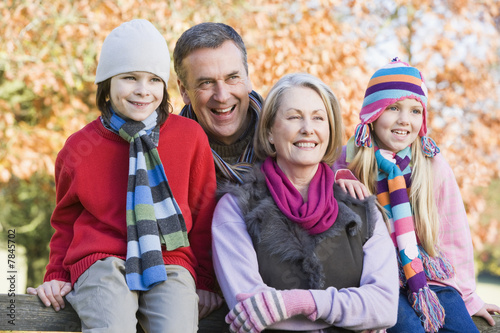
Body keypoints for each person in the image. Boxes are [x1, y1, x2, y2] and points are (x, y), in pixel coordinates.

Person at [27, 19, 219, 332]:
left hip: (170, 258)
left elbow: (203, 212)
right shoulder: (79, 148)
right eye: (130, 77)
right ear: (107, 83)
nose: (143, 91)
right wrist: (56, 276)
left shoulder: (189, 137)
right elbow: (64, 221)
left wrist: (207, 281)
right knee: (110, 324)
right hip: (101, 261)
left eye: (154, 80)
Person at [212, 73, 399, 332]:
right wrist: (355, 313)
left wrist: (295, 302)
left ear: (329, 131)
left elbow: (384, 307)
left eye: (318, 118)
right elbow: (250, 310)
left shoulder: (362, 209)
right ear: (269, 133)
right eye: (294, 116)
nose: (307, 128)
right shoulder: (236, 208)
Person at [333, 57, 500, 332]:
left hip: (431, 277)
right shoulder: (346, 161)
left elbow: (455, 234)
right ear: (373, 114)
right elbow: (316, 190)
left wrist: (469, 297)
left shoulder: (431, 163)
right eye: (394, 108)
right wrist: (338, 177)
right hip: (378, 281)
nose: (404, 120)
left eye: (414, 111)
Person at [173, 22, 264, 185]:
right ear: (184, 90)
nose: (222, 96)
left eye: (232, 78)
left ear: (248, 78)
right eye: (206, 82)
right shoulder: (166, 157)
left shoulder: (288, 141)